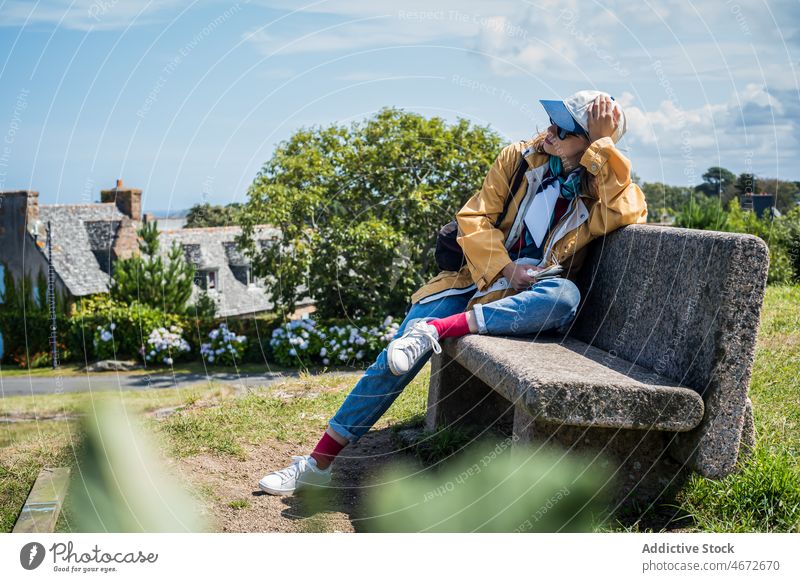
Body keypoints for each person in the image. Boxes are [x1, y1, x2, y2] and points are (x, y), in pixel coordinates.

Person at [258, 90, 648, 495]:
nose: (549, 131)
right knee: (395, 359)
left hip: (524, 300)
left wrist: (603, 147)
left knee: (565, 298)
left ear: (589, 143)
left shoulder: (601, 184)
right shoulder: (518, 158)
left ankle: (439, 328)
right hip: (475, 279)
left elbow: (629, 211)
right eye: (551, 121)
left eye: (563, 129)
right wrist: (506, 267)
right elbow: (473, 217)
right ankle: (317, 463)